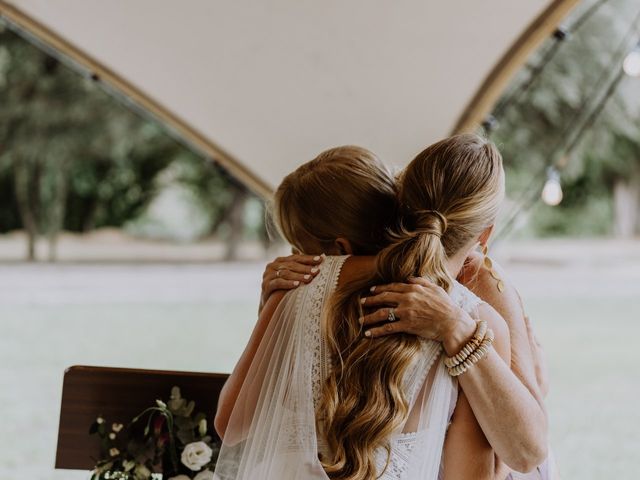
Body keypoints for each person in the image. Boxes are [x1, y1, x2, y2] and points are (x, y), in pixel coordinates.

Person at [215, 136, 549, 479]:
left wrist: (273, 307)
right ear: (483, 235)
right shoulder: (479, 321)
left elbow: (231, 423)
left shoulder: (297, 285)